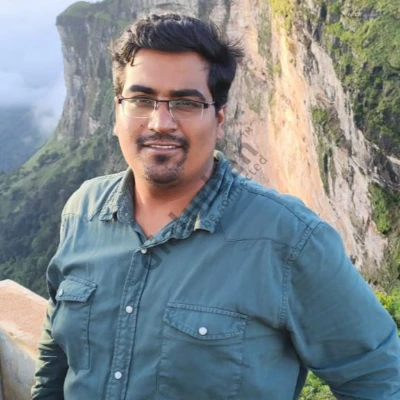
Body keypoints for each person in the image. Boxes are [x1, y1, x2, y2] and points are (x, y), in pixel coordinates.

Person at [32, 13, 400, 400]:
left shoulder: (290, 240)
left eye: (186, 103)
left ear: (219, 119)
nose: (160, 122)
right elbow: (57, 349)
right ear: (117, 112)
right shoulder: (83, 209)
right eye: (141, 100)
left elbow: (378, 380)